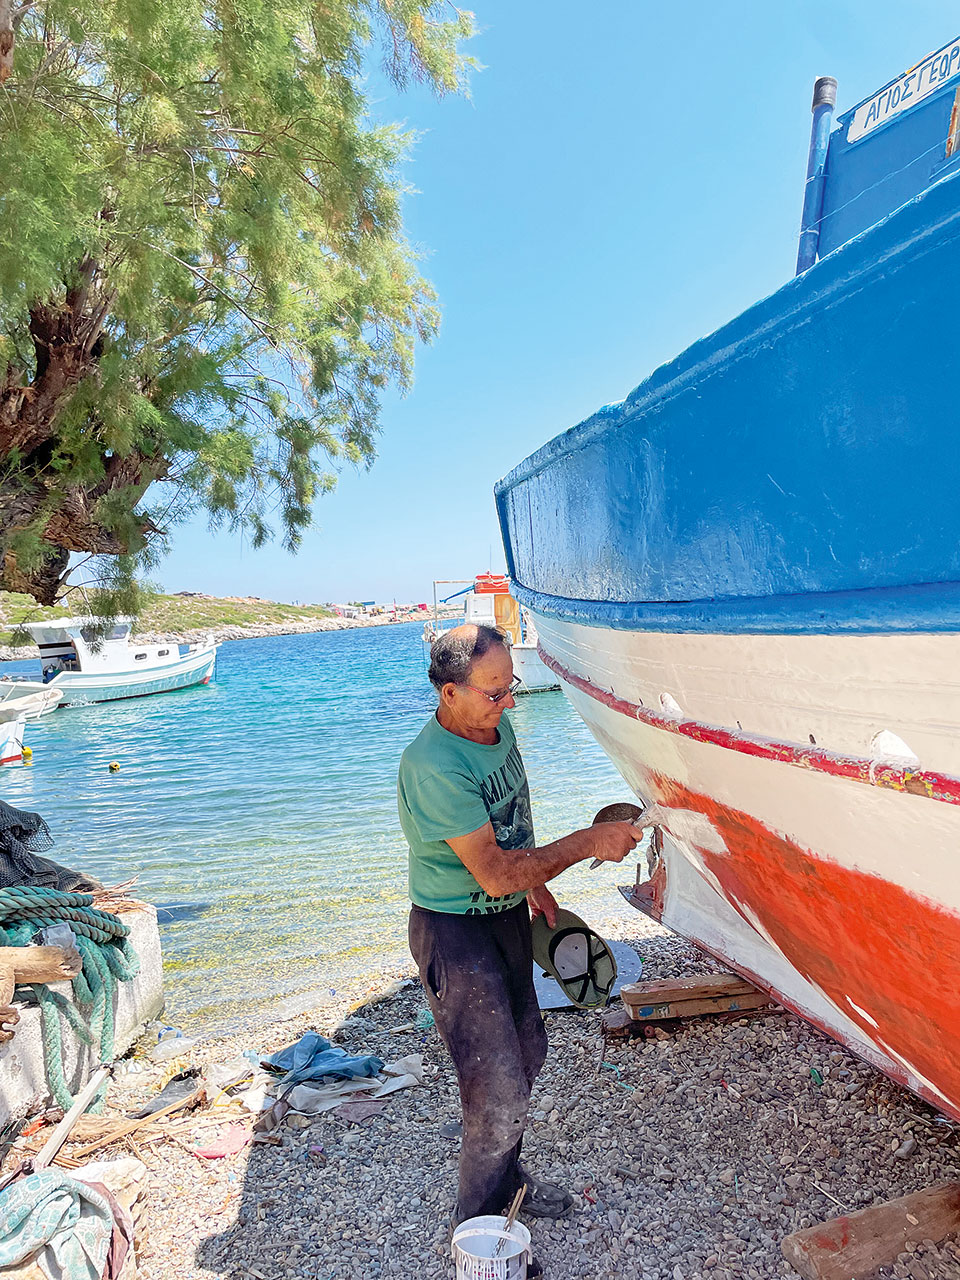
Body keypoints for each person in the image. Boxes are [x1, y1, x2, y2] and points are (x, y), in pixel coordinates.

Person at [397, 622, 641, 1244]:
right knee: (497, 1086)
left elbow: (509, 829)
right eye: (494, 694)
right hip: (455, 933)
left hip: (503, 914)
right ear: (449, 693)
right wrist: (586, 843)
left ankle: (508, 1183)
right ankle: (476, 1230)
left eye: (511, 689)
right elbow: (494, 869)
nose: (508, 706)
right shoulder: (433, 766)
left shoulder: (492, 727)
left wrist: (535, 883)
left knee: (528, 1052)